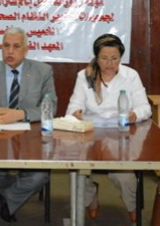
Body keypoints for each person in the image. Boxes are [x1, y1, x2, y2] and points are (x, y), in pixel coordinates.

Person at [0, 27, 56, 223]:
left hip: (31, 143)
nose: (10, 51)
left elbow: (51, 107)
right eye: (6, 46)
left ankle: (8, 198)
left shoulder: (43, 71)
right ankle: (16, 193)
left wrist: (21, 114)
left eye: (16, 46)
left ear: (26, 49)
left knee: (39, 177)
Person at [65, 33, 151, 223]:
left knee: (124, 177)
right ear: (96, 57)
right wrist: (76, 113)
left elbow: (145, 107)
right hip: (90, 134)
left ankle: (132, 207)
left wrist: (135, 114)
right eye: (104, 58)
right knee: (79, 173)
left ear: (121, 57)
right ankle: (91, 199)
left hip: (121, 134)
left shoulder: (131, 76)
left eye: (115, 58)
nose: (110, 64)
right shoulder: (84, 76)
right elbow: (72, 107)